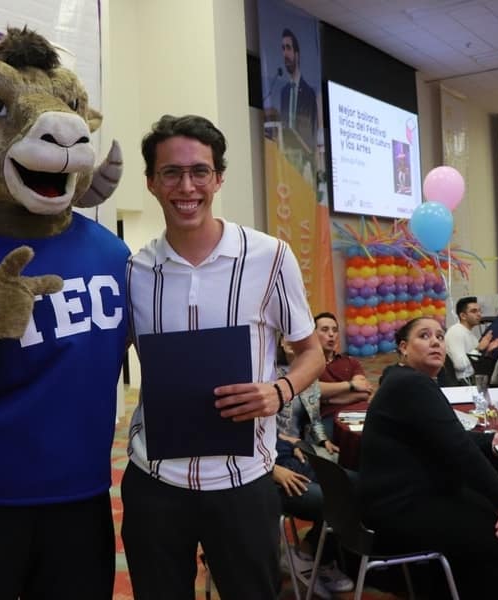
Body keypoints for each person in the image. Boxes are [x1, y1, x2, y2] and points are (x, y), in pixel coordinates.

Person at [123, 114, 325, 599]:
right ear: (151, 182)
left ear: (218, 178)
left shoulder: (270, 257)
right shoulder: (133, 270)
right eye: (171, 172)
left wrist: (279, 391)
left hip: (244, 481)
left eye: (200, 172)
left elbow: (311, 352)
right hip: (155, 480)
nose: (186, 186)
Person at [359, 317, 498, 600]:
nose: (436, 341)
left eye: (439, 336)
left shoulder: (401, 379)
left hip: (390, 497)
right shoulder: (413, 385)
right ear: (403, 348)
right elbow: (459, 448)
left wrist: (489, 439)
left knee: (480, 508)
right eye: (424, 336)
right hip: (399, 508)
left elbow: (440, 435)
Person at [273, 378, 353, 598]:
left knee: (356, 485)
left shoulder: (266, 376)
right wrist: (271, 469)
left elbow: (267, 428)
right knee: (339, 500)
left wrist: (291, 441)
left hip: (290, 456)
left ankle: (311, 552)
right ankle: (313, 556)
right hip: (270, 476)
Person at [315, 312, 372, 438]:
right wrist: (351, 385)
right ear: (313, 335)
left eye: (334, 330)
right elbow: (315, 390)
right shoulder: (309, 364)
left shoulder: (351, 361)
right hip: (329, 417)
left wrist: (327, 399)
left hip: (359, 411)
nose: (331, 334)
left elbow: (364, 392)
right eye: (325, 330)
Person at [444, 296, 498, 385]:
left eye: (479, 311)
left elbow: (475, 359)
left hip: (473, 380)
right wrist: (479, 349)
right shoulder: (456, 332)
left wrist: (487, 350)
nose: (479, 314)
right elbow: (460, 365)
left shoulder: (470, 334)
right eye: (474, 311)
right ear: (463, 316)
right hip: (462, 383)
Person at [279, 28, 317, 149]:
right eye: (283, 49)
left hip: (304, 158)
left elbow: (312, 133)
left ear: (297, 54)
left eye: (288, 48)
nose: (285, 54)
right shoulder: (283, 93)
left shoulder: (309, 93)